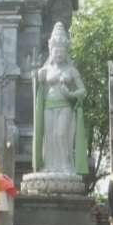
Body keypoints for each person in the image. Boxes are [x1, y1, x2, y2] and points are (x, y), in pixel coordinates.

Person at [32, 21, 87, 175]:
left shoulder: (71, 70)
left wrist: (70, 94)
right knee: (49, 137)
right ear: (51, 51)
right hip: (48, 105)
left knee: (61, 134)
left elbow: (83, 91)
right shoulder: (46, 69)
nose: (59, 55)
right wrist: (37, 78)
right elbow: (37, 85)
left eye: (62, 52)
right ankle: (49, 165)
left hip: (65, 105)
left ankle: (65, 164)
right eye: (56, 52)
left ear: (66, 52)